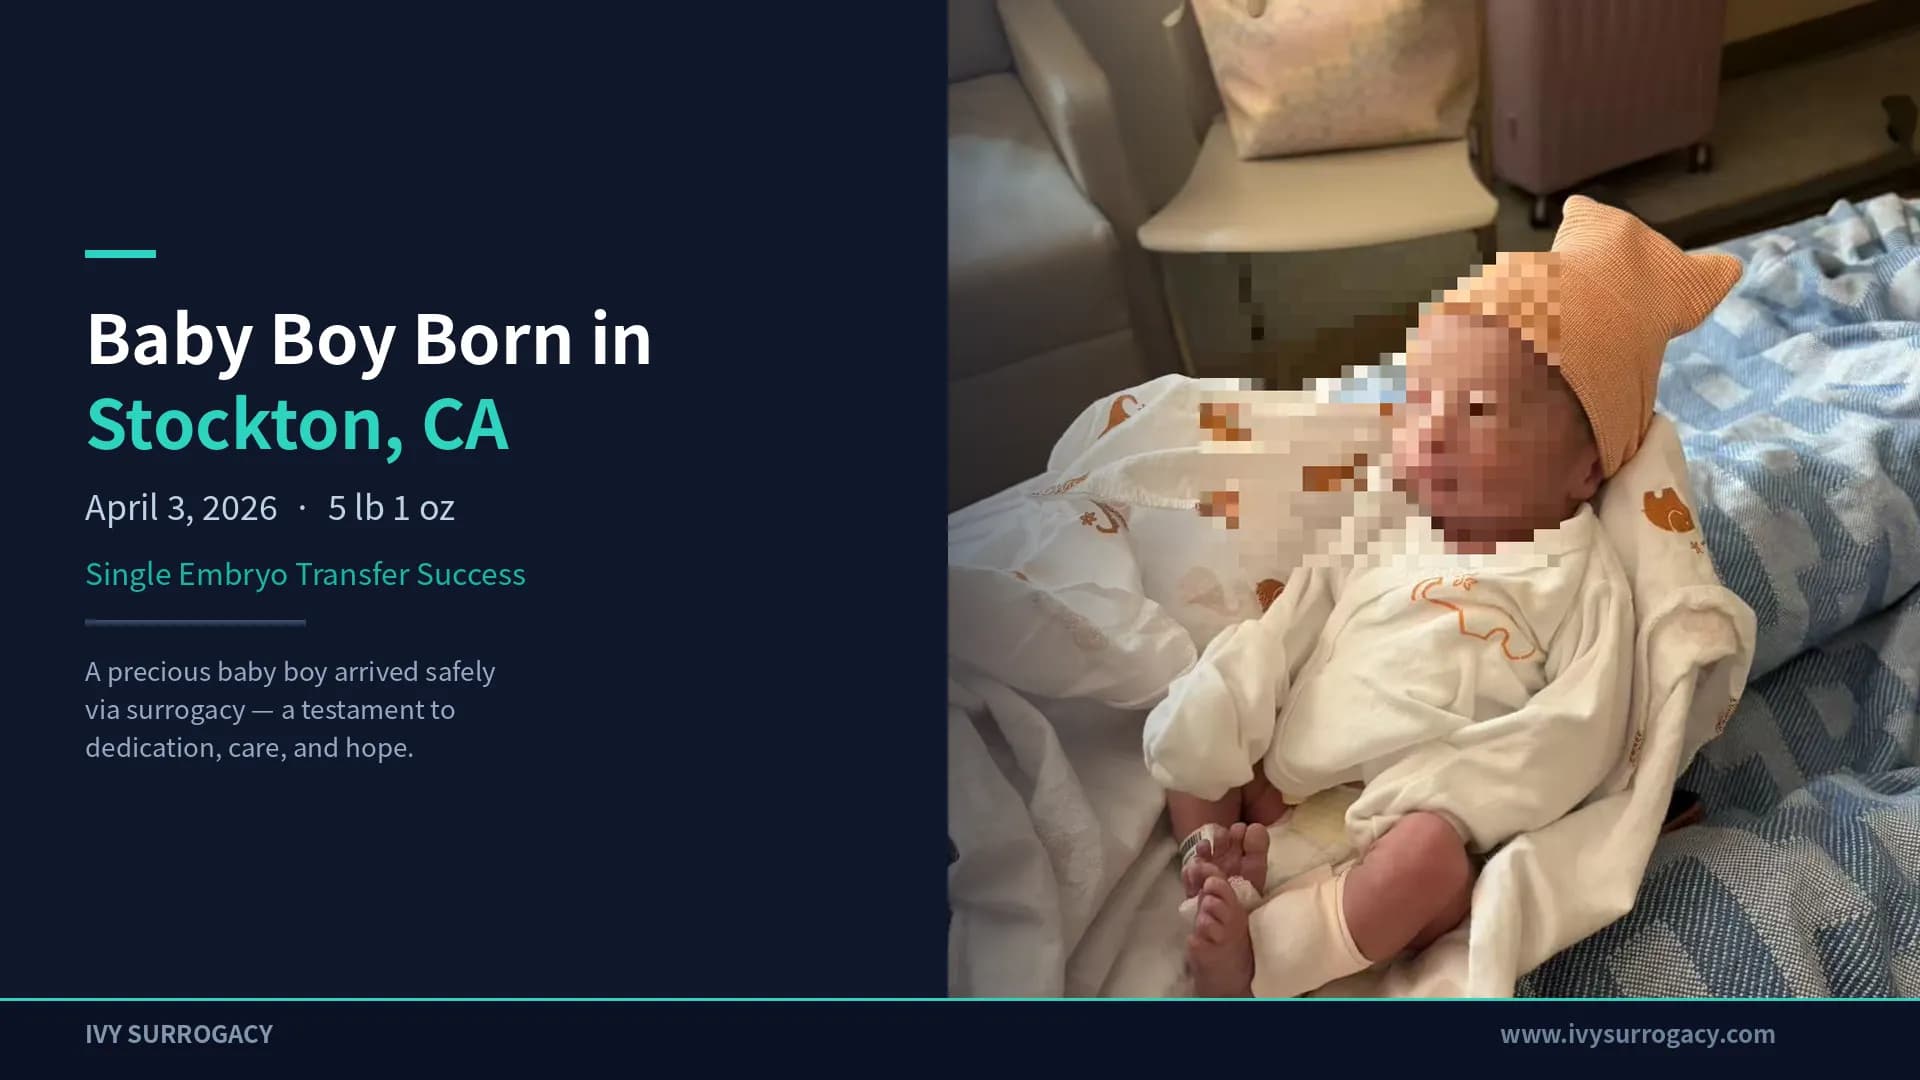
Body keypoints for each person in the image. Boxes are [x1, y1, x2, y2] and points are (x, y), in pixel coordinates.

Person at [1143, 196, 1743, 997]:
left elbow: (1572, 735)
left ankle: (1269, 954)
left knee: (1430, 865)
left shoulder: (1581, 580)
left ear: (1585, 467)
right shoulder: (1400, 519)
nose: (1427, 434)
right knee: (1207, 689)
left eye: (1479, 412)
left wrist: (1425, 796)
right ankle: (1208, 857)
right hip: (1280, 766)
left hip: (1392, 818)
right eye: (1420, 398)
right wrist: (1247, 710)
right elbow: (1308, 606)